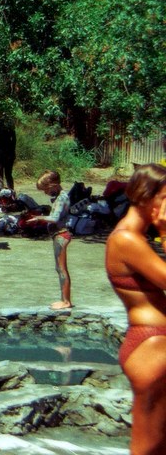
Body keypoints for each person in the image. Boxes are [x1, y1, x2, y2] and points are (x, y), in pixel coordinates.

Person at [105, 164, 166, 455]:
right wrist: (165, 230)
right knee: (148, 445)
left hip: (153, 343)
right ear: (145, 196)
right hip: (150, 344)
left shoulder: (136, 237)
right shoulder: (125, 239)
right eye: (164, 198)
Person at [31, 171, 74, 310]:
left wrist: (39, 218)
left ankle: (66, 301)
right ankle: (64, 299)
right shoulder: (60, 197)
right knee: (59, 268)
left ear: (53, 185)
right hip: (58, 235)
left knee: (62, 269)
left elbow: (55, 218)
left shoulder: (61, 198)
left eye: (46, 189)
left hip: (61, 235)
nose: (45, 193)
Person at [0, 115, 17, 191]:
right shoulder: (9, 122)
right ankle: (11, 192)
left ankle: (1, 192)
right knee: (8, 174)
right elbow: (14, 139)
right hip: (9, 152)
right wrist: (13, 151)